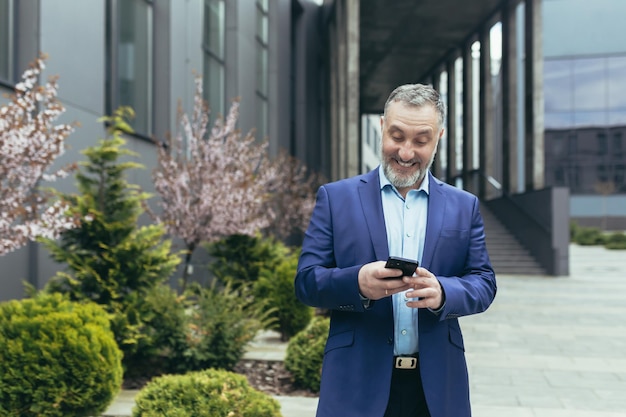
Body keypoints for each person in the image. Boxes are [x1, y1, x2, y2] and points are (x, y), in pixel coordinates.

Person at [295, 83, 497, 417]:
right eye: (397, 136)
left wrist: (445, 291)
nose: (405, 152)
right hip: (355, 385)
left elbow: (483, 281)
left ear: (438, 138)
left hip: (437, 389)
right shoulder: (336, 199)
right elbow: (306, 282)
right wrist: (357, 283)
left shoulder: (464, 206)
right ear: (381, 128)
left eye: (421, 140)